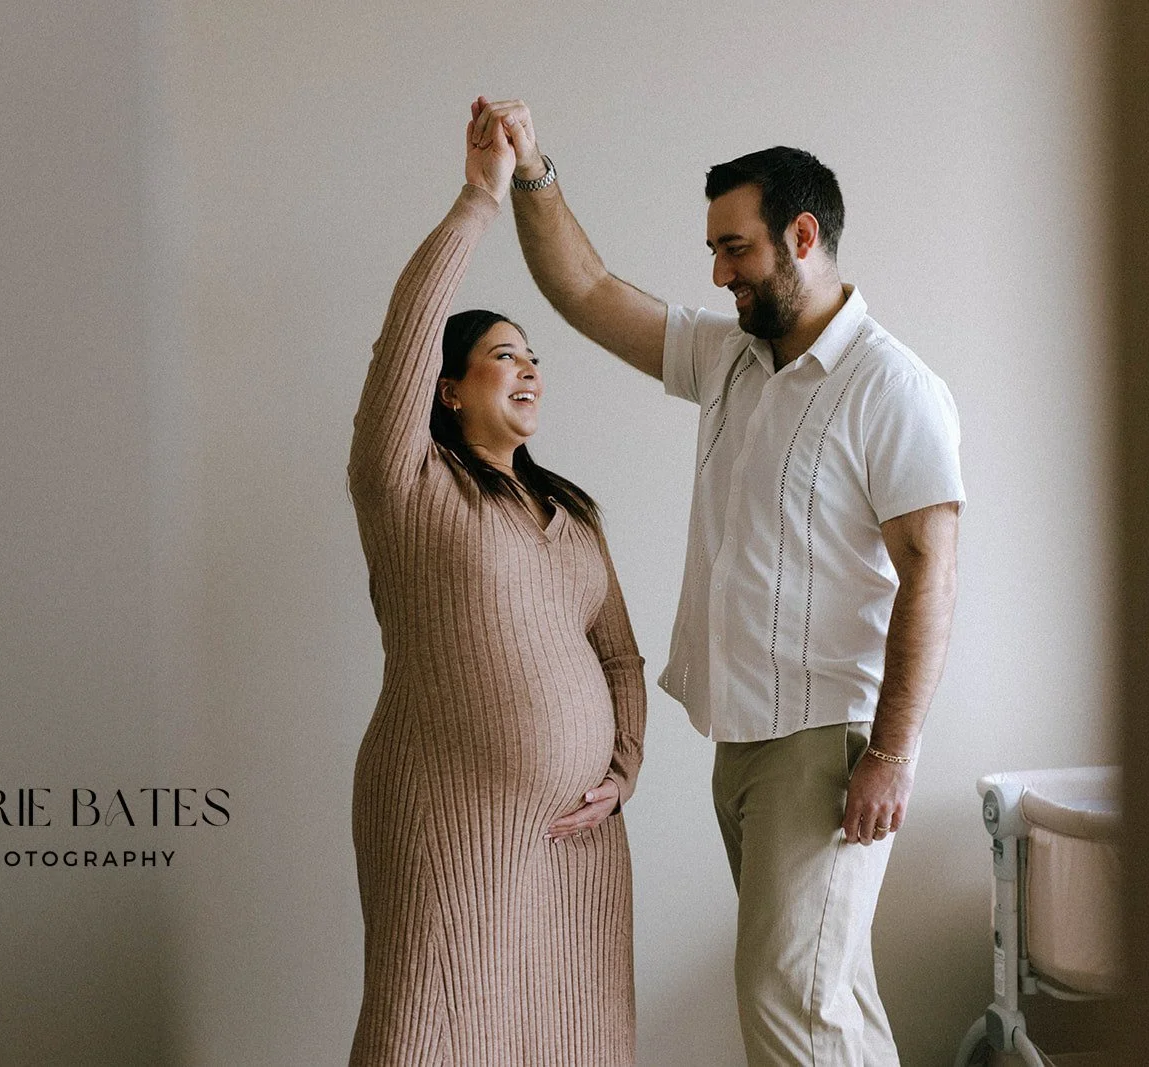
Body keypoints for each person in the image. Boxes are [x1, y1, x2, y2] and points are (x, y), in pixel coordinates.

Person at [473, 96, 965, 1066]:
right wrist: (532, 167)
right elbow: (583, 288)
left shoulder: (890, 386)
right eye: (712, 250)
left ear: (803, 235)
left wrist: (892, 755)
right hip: (742, 739)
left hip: (827, 744)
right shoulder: (730, 358)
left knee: (791, 1003)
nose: (717, 272)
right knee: (827, 997)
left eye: (734, 248)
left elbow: (931, 574)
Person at [344, 108, 645, 1065]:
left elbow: (620, 656)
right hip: (448, 819)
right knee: (428, 1034)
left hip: (582, 845)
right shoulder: (406, 485)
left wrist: (621, 771)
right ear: (446, 389)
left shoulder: (575, 515)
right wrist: (481, 197)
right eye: (505, 354)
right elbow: (407, 334)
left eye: (537, 357)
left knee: (573, 1042)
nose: (530, 371)